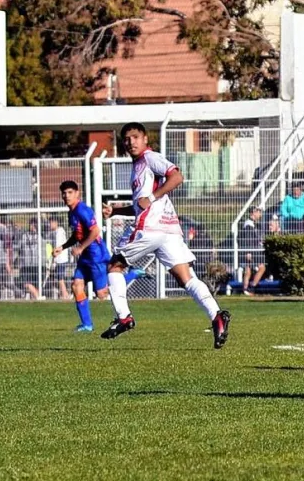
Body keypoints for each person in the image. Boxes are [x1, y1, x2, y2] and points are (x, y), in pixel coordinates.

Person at [100, 122, 231, 348]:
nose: (131, 142)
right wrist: (116, 211)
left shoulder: (150, 158)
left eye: (135, 137)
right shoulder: (139, 166)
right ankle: (217, 316)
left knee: (114, 266)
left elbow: (177, 177)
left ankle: (124, 317)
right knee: (186, 278)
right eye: (127, 139)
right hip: (167, 230)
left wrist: (151, 197)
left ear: (145, 140)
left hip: (150, 228)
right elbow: (141, 204)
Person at [52, 181, 113, 331]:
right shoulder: (71, 212)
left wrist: (80, 247)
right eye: (64, 193)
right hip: (86, 256)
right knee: (76, 285)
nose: (67, 196)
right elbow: (77, 234)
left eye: (70, 192)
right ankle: (87, 325)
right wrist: (63, 247)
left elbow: (95, 231)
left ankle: (133, 274)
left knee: (101, 294)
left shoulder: (83, 210)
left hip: (96, 255)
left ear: (77, 193)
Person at [47, 216, 71, 300]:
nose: (49, 224)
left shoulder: (59, 232)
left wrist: (54, 254)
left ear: (56, 223)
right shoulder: (55, 232)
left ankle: (65, 295)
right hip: (59, 259)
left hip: (61, 259)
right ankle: (64, 294)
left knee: (60, 278)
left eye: (51, 222)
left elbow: (59, 247)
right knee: (59, 278)